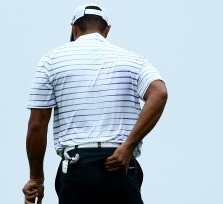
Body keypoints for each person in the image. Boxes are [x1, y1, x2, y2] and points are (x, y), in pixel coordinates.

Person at [22, 3, 168, 204]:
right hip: (122, 165)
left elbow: (37, 125)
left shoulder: (51, 60)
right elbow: (159, 93)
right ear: (107, 30)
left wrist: (36, 178)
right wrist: (128, 147)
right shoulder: (134, 60)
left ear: (74, 28)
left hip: (78, 168)